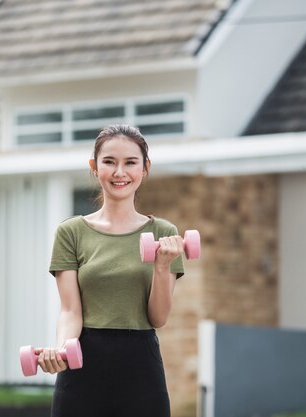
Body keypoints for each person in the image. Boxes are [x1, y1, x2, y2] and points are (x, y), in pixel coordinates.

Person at [40, 124, 185, 417]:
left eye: (131, 162)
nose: (120, 172)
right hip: (83, 363)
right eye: (109, 162)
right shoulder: (72, 232)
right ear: (94, 167)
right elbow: (71, 311)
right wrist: (62, 350)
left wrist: (161, 265)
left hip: (140, 364)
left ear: (145, 168)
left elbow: (158, 317)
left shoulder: (164, 233)